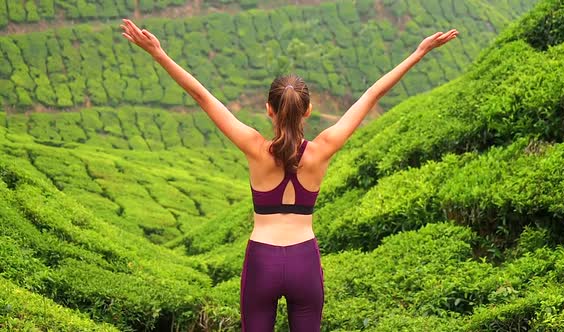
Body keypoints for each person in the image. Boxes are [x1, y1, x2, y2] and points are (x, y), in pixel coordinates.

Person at [120, 18, 458, 331]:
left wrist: (159, 53)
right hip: (303, 261)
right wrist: (419, 53)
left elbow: (202, 96)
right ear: (308, 110)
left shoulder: (254, 147)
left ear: (268, 110)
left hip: (262, 260)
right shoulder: (323, 148)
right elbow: (372, 95)